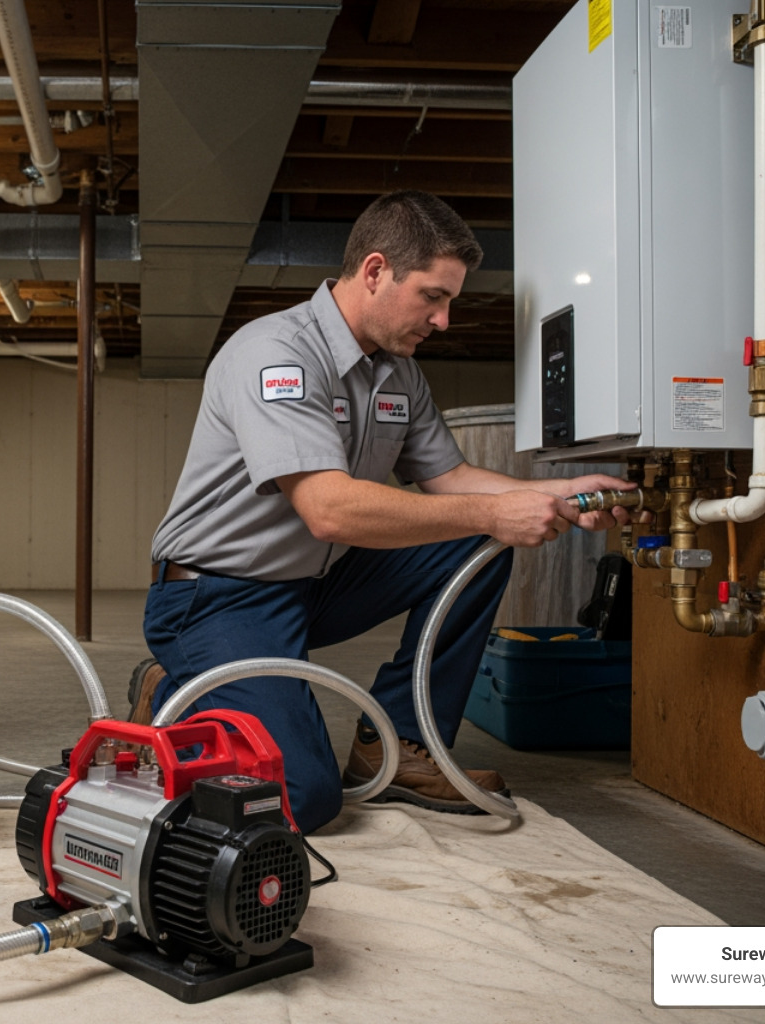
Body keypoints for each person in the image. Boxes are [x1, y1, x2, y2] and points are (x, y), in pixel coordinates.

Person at [136, 191, 637, 834]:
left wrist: (548, 499)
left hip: (315, 585)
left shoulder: (399, 373)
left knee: (475, 546)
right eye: (433, 296)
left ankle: (397, 746)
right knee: (302, 797)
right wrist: (494, 511)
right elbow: (329, 511)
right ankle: (177, 688)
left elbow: (448, 479)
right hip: (216, 596)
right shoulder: (277, 354)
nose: (444, 319)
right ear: (375, 271)